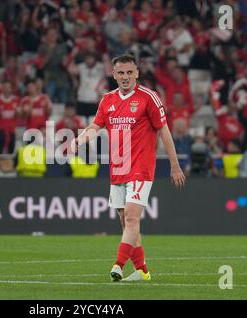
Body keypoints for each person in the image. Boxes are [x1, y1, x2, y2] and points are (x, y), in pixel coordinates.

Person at [71, 54, 185, 282]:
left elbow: (164, 131)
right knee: (125, 222)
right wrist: (80, 139)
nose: (125, 77)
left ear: (137, 73)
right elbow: (96, 125)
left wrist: (175, 165)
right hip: (118, 168)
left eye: (129, 72)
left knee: (133, 219)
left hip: (142, 166)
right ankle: (142, 271)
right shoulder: (107, 100)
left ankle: (118, 265)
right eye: (120, 73)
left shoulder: (149, 98)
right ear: (113, 75)